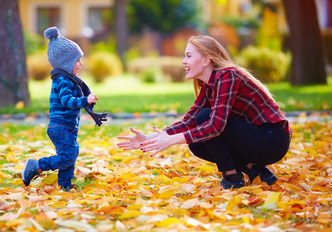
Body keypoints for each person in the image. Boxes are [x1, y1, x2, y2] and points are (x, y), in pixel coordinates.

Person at [117, 35, 292, 189]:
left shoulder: (228, 75)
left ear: (206, 60)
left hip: (272, 140)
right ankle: (254, 170)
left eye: (188, 55)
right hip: (254, 141)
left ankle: (232, 179)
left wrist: (172, 140)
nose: (184, 61)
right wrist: (149, 139)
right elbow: (189, 122)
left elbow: (215, 125)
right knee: (196, 143)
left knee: (205, 119)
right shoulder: (209, 86)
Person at [22, 27, 107, 191]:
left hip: (66, 127)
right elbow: (67, 101)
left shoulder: (67, 79)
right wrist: (84, 100)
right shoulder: (63, 81)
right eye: (77, 60)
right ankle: (36, 165)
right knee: (68, 155)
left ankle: (65, 185)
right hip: (60, 127)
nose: (81, 64)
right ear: (67, 63)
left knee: (70, 154)